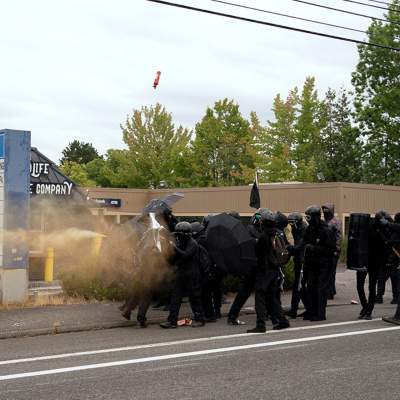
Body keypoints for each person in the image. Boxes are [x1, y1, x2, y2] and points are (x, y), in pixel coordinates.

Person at [247, 210, 290, 333]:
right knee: (272, 297)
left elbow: (258, 254)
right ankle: (283, 321)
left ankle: (260, 324)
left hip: (265, 271)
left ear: (263, 222)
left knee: (260, 297)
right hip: (275, 269)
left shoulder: (263, 237)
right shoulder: (278, 234)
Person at [160, 221, 205, 329]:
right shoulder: (180, 243)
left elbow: (185, 256)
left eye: (179, 235)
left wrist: (174, 247)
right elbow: (174, 260)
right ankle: (172, 321)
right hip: (181, 274)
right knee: (175, 298)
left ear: (186, 235)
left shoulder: (193, 244)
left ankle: (200, 319)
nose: (178, 237)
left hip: (192, 275)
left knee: (194, 298)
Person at [227, 209, 265, 326]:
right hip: (252, 265)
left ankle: (233, 316)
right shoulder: (246, 230)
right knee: (257, 292)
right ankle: (264, 316)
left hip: (249, 265)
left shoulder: (242, 230)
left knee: (245, 293)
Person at [300, 206, 336, 321]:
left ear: (315, 217)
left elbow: (330, 249)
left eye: (309, 217)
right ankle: (312, 311)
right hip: (311, 264)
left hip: (323, 265)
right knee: (310, 287)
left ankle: (321, 314)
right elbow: (303, 243)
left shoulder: (326, 230)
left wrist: (314, 248)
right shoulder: (309, 229)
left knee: (321, 289)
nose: (307, 219)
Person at [356, 212, 387, 320]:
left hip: (372, 262)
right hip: (367, 261)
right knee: (364, 286)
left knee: (369, 287)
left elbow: (384, 247)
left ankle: (368, 309)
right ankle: (366, 308)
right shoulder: (370, 230)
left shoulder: (379, 231)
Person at [286, 212, 309, 318]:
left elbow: (299, 246)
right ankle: (309, 308)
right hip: (299, 259)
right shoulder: (296, 228)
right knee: (300, 286)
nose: (291, 225)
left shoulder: (304, 229)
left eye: (292, 223)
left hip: (303, 261)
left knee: (298, 286)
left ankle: (294, 310)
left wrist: (287, 247)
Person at [376, 212, 400, 304]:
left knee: (394, 278)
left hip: (395, 256)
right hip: (387, 256)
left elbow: (390, 241)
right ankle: (379, 297)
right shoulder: (391, 228)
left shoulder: (396, 228)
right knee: (383, 278)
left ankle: (395, 297)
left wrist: (387, 224)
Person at [322, 204, 342, 299]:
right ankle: (330, 290)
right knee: (327, 272)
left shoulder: (335, 221)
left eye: (326, 211)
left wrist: (337, 250)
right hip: (326, 250)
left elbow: (338, 237)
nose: (325, 212)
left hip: (333, 250)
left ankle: (330, 292)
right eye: (324, 211)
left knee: (331, 272)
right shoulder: (325, 221)